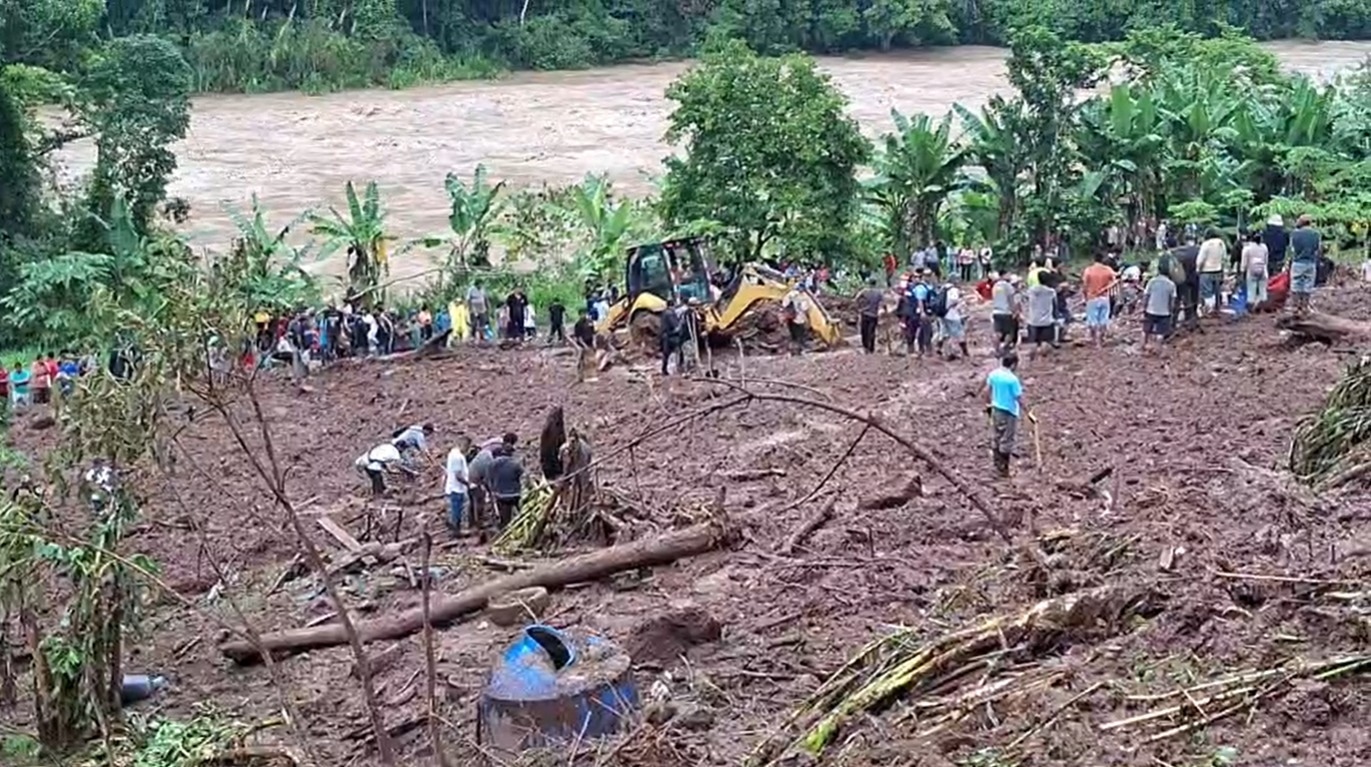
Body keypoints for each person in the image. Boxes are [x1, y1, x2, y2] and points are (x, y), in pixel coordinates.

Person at [986, 354, 1023, 478]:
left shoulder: (994, 374)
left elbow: (987, 391)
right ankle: (1003, 469)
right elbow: (1018, 398)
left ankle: (997, 465)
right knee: (1007, 439)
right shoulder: (1012, 379)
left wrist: (988, 405)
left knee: (997, 436)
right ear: (1013, 365)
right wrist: (1028, 411)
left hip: (996, 408)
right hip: (1009, 412)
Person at [487, 441, 525, 531]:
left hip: (500, 495)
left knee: (505, 518)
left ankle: (504, 530)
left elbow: (489, 477)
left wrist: (492, 488)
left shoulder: (493, 463)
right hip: (515, 494)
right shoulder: (515, 464)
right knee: (521, 514)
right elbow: (522, 476)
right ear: (511, 453)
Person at [1081, 253, 1117, 347]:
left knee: (1092, 320)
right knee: (1103, 319)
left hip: (1092, 297)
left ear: (1094, 259)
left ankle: (1094, 340)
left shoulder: (1088, 270)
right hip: (1104, 297)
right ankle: (1100, 341)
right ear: (1103, 259)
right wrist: (1105, 288)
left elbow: (1085, 285)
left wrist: (1085, 296)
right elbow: (1115, 281)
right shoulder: (1108, 269)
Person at [1289, 214, 1321, 314]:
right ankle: (1305, 306)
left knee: (1296, 284)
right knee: (1308, 284)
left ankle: (1296, 307)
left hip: (1298, 262)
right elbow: (1317, 249)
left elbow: (1293, 249)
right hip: (1310, 262)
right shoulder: (1316, 234)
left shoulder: (1295, 234)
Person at [1142, 267, 1177, 353]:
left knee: (1146, 330)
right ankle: (1157, 349)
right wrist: (1171, 310)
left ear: (1159, 271)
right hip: (1164, 312)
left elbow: (1146, 295)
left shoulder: (1152, 281)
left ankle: (1143, 345)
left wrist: (1144, 307)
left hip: (1150, 310)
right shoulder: (1171, 284)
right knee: (1160, 333)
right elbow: (1172, 300)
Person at [445, 435, 472, 534]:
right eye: (467, 447)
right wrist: (469, 484)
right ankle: (457, 530)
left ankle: (455, 528)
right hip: (457, 488)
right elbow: (458, 475)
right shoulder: (457, 457)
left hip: (454, 487)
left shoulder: (453, 454)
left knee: (455, 510)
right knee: (458, 510)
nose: (468, 450)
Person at [1196, 228, 1227, 315]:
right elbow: (1224, 258)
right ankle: (1216, 309)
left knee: (1207, 292)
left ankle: (1209, 310)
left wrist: (1198, 269)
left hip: (1206, 271)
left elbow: (1201, 259)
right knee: (1216, 291)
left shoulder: (1206, 244)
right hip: (1218, 270)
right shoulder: (1221, 243)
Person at [1024, 278, 1058, 357]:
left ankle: (1032, 358)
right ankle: (1042, 359)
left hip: (1033, 320)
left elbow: (1026, 300)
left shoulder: (1031, 290)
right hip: (1047, 320)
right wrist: (1055, 316)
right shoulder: (1051, 291)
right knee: (1045, 342)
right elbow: (1055, 305)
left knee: (1033, 342)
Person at [936, 281, 968, 359]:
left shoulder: (943, 288)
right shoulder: (954, 289)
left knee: (944, 333)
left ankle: (941, 349)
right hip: (951, 314)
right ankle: (963, 352)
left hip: (942, 314)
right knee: (958, 333)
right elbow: (954, 300)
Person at [990, 273, 1019, 355]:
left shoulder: (995, 286)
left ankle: (997, 349)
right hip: (1006, 312)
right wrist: (1015, 311)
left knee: (997, 332)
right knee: (1009, 333)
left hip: (996, 311)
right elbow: (1011, 300)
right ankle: (1004, 348)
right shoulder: (1008, 286)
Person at [1240, 232, 1270, 310]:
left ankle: (1251, 306)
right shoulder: (1264, 247)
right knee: (1263, 289)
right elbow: (1266, 260)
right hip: (1263, 270)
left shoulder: (1247, 248)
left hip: (1251, 271)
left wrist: (1242, 271)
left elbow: (1244, 262)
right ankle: (1263, 305)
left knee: (1251, 289)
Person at [856, 277, 884, 354]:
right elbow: (883, 303)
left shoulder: (865, 291)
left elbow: (857, 298)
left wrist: (860, 306)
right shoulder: (879, 293)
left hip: (865, 313)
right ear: (875, 283)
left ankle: (865, 347)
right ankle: (871, 349)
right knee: (872, 332)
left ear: (869, 283)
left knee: (864, 331)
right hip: (874, 314)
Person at [782, 286, 810, 356]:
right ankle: (799, 350)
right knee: (800, 335)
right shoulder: (803, 297)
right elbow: (805, 308)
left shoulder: (789, 294)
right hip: (799, 319)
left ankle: (792, 351)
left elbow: (784, 304)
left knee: (793, 336)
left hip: (790, 318)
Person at [572, 310, 596, 382]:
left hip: (590, 343)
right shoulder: (578, 324)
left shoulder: (590, 322)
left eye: (584, 314)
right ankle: (580, 376)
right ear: (579, 315)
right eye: (582, 314)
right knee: (581, 361)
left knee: (590, 360)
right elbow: (578, 337)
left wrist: (594, 342)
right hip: (581, 345)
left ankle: (590, 376)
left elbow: (593, 333)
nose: (583, 315)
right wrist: (584, 345)